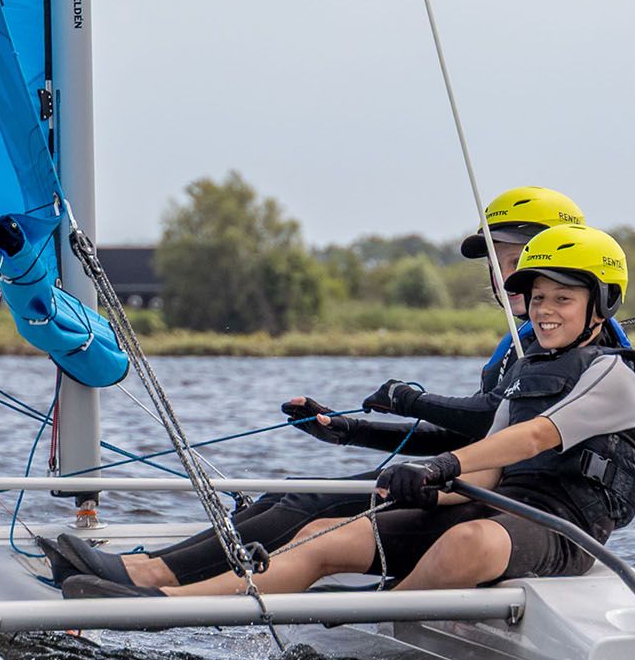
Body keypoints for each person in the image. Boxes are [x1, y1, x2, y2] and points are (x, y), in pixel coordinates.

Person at [40, 186, 602, 591]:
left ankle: (154, 576)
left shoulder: (584, 353)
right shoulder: (523, 343)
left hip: (510, 510)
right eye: (499, 263)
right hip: (473, 486)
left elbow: (495, 428)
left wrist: (409, 400)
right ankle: (154, 569)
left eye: (514, 259)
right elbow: (469, 438)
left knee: (309, 502)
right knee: (291, 495)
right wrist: (350, 430)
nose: (503, 276)